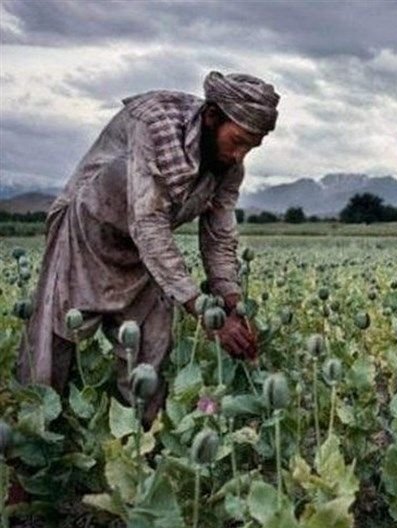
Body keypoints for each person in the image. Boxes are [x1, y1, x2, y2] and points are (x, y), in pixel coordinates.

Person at [17, 71, 278, 423]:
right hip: (87, 233)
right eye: (238, 141)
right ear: (212, 116)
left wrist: (231, 302)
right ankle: (32, 433)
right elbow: (149, 223)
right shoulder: (154, 123)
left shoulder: (229, 167)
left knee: (151, 346)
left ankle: (140, 437)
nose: (239, 155)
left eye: (251, 147)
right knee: (53, 343)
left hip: (145, 253)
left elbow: (218, 236)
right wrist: (202, 311)